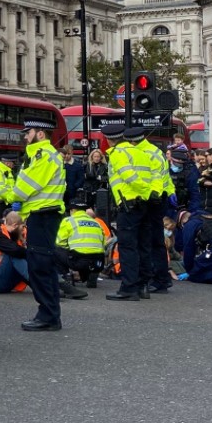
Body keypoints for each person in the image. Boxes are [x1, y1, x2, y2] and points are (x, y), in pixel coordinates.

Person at [6, 116, 66, 330]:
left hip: (44, 215)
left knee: (40, 266)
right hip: (41, 215)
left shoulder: (43, 156)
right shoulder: (37, 156)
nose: (25, 136)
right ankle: (49, 314)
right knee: (42, 265)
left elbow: (25, 187)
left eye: (28, 132)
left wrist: (8, 195)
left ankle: (48, 316)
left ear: (40, 134)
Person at [102, 121, 153, 302]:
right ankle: (143, 286)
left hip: (129, 204)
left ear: (109, 140)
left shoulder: (118, 153)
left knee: (128, 247)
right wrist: (147, 193)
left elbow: (129, 176)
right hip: (144, 204)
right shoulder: (140, 152)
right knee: (143, 245)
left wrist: (141, 191)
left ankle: (128, 288)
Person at [130, 126, 175, 294]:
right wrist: (169, 192)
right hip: (159, 199)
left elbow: (155, 177)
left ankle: (157, 278)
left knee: (149, 241)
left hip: (150, 200)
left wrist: (152, 196)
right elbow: (165, 177)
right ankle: (161, 278)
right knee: (156, 241)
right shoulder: (156, 151)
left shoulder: (142, 153)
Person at [54, 196, 105, 295]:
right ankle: (91, 276)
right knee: (89, 254)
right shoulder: (96, 222)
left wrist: (71, 248)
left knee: (56, 251)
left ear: (72, 210)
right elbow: (103, 243)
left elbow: (60, 242)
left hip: (78, 260)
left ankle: (66, 277)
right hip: (98, 261)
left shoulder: (68, 221)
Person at [0, 211, 31, 293]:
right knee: (14, 255)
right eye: (22, 227)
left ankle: (48, 284)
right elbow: (15, 250)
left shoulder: (19, 232)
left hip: (7, 280)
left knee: (35, 255)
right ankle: (42, 285)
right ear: (15, 225)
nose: (23, 230)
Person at [168, 148, 201, 218]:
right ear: (171, 160)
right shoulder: (165, 168)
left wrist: (190, 212)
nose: (178, 166)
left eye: (180, 164)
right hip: (167, 207)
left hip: (185, 207)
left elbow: (195, 193)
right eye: (176, 163)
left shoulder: (190, 171)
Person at [0, 152, 20, 220]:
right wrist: (12, 199)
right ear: (7, 163)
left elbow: (12, 187)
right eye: (13, 163)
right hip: (0, 204)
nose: (14, 165)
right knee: (0, 225)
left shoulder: (9, 172)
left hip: (8, 203)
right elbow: (1, 189)